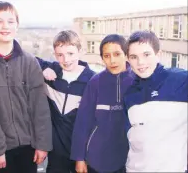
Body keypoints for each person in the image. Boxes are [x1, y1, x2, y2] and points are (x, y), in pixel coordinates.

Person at [0, 1, 52, 173]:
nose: (5, 26)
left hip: (29, 147)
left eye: (10, 21)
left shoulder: (29, 62)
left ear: (17, 26)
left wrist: (42, 144)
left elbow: (40, 108)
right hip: (0, 150)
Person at [124, 30, 188, 172]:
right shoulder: (130, 95)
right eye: (134, 57)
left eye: (146, 55)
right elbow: (131, 139)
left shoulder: (181, 81)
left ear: (158, 55)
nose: (140, 62)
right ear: (128, 60)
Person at [70, 34, 135, 173]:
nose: (112, 60)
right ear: (102, 58)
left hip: (130, 159)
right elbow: (83, 122)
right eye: (107, 55)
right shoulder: (95, 82)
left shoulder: (137, 81)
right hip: (97, 159)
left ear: (126, 54)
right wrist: (79, 158)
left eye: (117, 54)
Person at [36, 30, 96, 173]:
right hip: (56, 154)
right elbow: (28, 59)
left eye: (70, 54)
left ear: (80, 51)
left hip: (82, 153)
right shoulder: (53, 73)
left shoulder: (92, 81)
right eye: (60, 55)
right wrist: (44, 68)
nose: (66, 60)